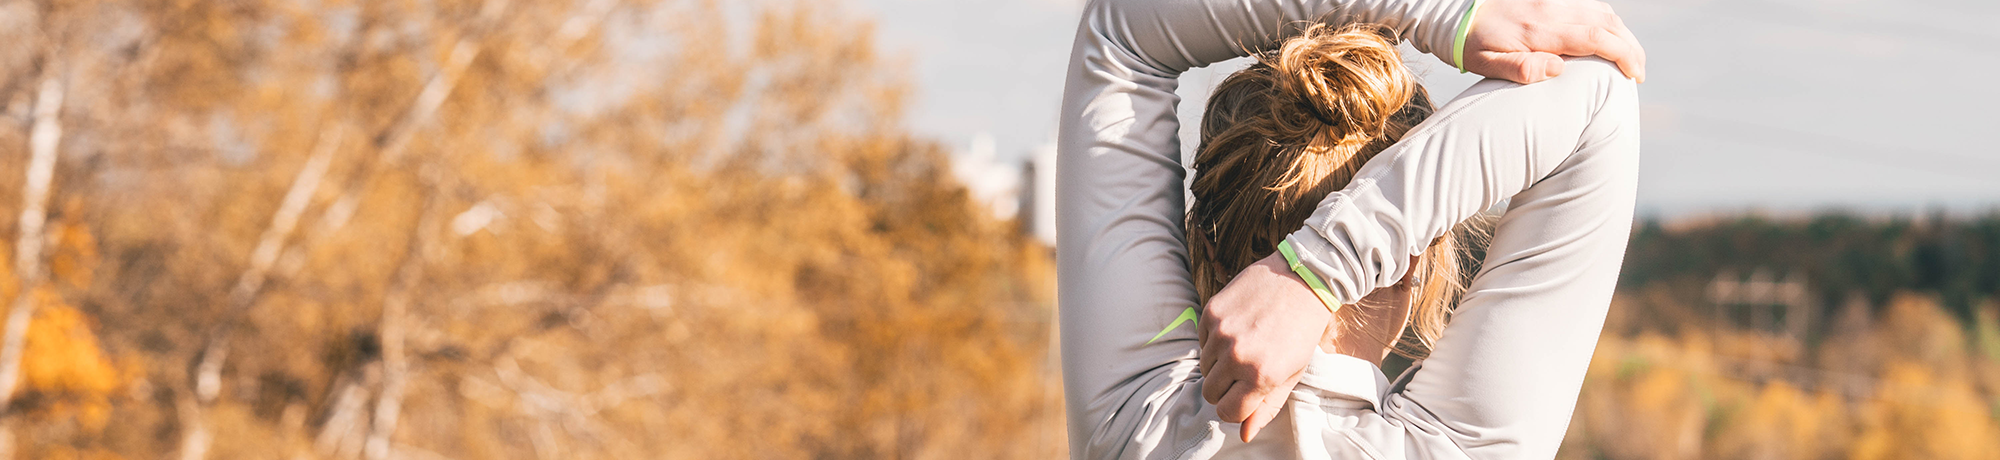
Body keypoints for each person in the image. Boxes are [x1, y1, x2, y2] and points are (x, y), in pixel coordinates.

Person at [1055, 0, 1645, 458]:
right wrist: (1314, 270)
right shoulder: (1457, 447)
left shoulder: (1132, 425)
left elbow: (1123, 31)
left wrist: (1441, 15)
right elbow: (1598, 85)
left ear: (1201, 244)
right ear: (1416, 258)